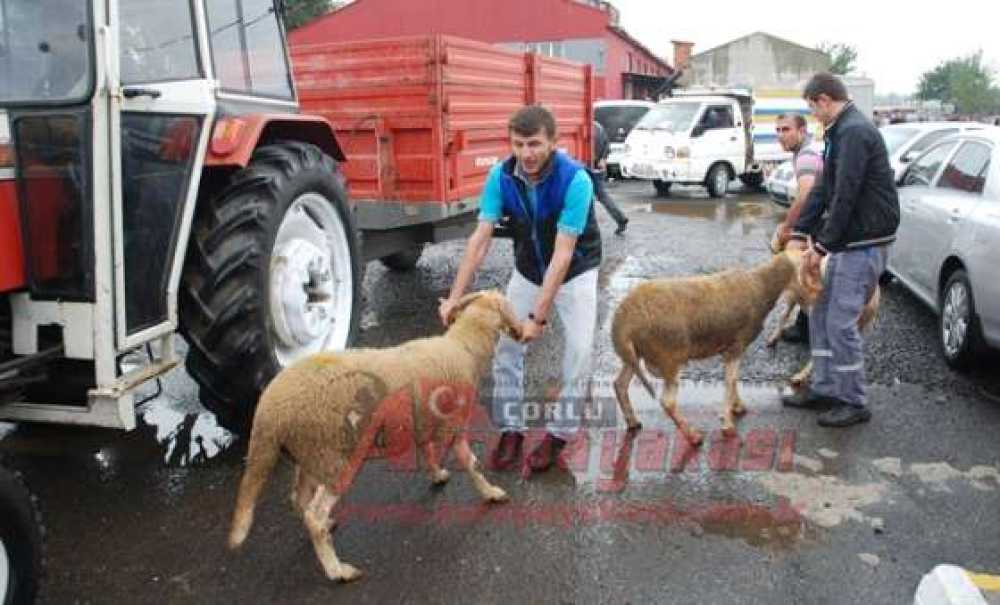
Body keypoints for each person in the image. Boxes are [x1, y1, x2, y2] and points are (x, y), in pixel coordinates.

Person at [438, 105, 601, 472]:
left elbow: (562, 256)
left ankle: (558, 435)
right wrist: (453, 298)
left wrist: (536, 320)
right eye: (518, 144)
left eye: (535, 144)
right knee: (507, 350)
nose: (526, 153)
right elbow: (480, 239)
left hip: (575, 270)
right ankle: (512, 429)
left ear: (552, 143)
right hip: (528, 268)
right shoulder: (501, 176)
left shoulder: (576, 180)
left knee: (579, 354)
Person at [781, 73, 900, 428]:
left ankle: (853, 400)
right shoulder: (840, 132)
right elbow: (824, 187)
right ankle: (825, 387)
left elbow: (845, 195)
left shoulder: (852, 133)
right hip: (851, 239)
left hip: (863, 242)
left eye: (812, 108)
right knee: (819, 314)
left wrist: (820, 246)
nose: (813, 116)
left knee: (839, 321)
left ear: (823, 100)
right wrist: (800, 230)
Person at [772, 112, 823, 344]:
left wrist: (787, 227)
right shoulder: (805, 151)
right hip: (820, 219)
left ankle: (814, 330)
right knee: (809, 271)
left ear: (801, 131)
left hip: (824, 220)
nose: (781, 135)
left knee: (805, 272)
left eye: (786, 129)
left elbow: (805, 195)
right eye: (778, 130)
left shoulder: (806, 155)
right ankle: (805, 327)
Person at [591, 120, 629, 234]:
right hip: (598, 167)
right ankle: (620, 218)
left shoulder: (592, 128)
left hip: (591, 166)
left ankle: (620, 219)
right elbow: (607, 145)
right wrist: (603, 159)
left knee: (594, 197)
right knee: (602, 196)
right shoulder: (598, 127)